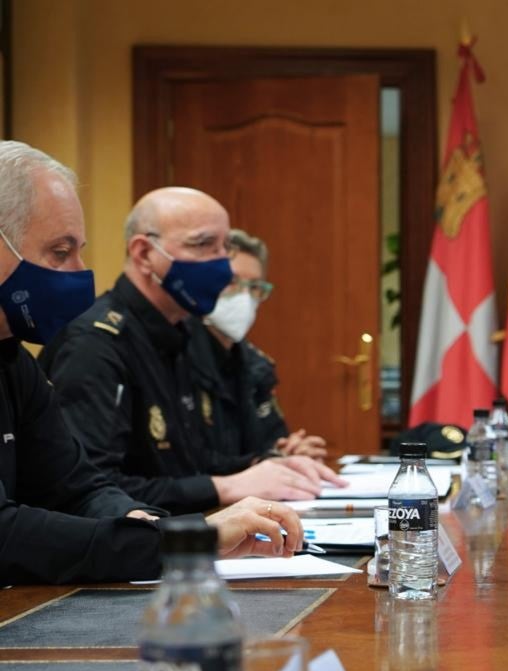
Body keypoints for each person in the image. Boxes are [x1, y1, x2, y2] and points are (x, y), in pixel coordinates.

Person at [0, 140, 304, 584]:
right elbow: (7, 534)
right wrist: (186, 539)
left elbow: (77, 486)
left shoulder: (10, 358)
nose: (81, 272)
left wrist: (141, 522)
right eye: (61, 253)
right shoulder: (95, 341)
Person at [40, 186, 342, 516]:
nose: (223, 266)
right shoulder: (96, 344)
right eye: (202, 245)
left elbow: (193, 461)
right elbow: (90, 491)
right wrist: (227, 486)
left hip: (186, 539)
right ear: (144, 254)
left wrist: (267, 464)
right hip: (128, 555)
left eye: (224, 248)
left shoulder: (181, 333)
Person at [189, 228, 327, 463]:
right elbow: (191, 460)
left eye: (254, 287)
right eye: (232, 282)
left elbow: (271, 440)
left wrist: (291, 452)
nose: (245, 297)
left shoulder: (255, 365)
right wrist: (266, 462)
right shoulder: (179, 355)